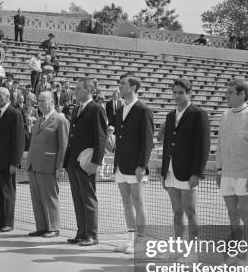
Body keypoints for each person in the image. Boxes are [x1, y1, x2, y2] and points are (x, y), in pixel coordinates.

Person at [215, 78, 248, 262]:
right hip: (227, 175)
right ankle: (236, 250)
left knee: (246, 214)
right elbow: (220, 145)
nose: (226, 95)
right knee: (232, 215)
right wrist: (219, 169)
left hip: (246, 176)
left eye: (230, 92)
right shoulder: (225, 115)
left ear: (242, 94)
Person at [107, 75, 154, 254]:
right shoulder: (119, 110)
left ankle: (141, 242)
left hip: (136, 166)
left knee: (138, 203)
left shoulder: (144, 110)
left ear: (133, 87)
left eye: (123, 84)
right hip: (121, 165)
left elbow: (148, 141)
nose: (120, 86)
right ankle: (131, 240)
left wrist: (142, 165)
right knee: (126, 202)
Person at [161, 77, 210, 241]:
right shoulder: (169, 116)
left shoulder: (198, 114)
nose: (177, 96)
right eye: (174, 92)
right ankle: (178, 247)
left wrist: (197, 173)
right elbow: (167, 144)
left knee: (190, 211)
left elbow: (203, 146)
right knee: (176, 212)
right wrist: (163, 172)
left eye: (181, 93)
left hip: (188, 172)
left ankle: (193, 251)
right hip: (171, 171)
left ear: (189, 94)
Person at [63, 77, 107, 246]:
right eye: (75, 88)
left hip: (86, 163)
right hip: (74, 161)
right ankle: (81, 232)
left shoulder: (96, 109)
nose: (76, 91)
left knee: (88, 198)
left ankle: (92, 235)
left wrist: (96, 162)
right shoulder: (76, 109)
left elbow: (101, 137)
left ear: (89, 90)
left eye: (79, 89)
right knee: (77, 198)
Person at [26, 91, 69, 238]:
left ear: (52, 102)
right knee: (37, 198)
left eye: (43, 100)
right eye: (39, 100)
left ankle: (53, 228)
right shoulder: (38, 120)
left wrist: (60, 167)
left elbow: (63, 146)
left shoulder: (60, 120)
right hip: (34, 165)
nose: (40, 103)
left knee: (50, 198)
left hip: (49, 166)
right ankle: (42, 226)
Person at [0, 87, 24, 232]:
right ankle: (0, 222)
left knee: (8, 192)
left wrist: (15, 162)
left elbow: (19, 141)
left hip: (8, 161)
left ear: (7, 97)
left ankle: (8, 223)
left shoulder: (15, 114)